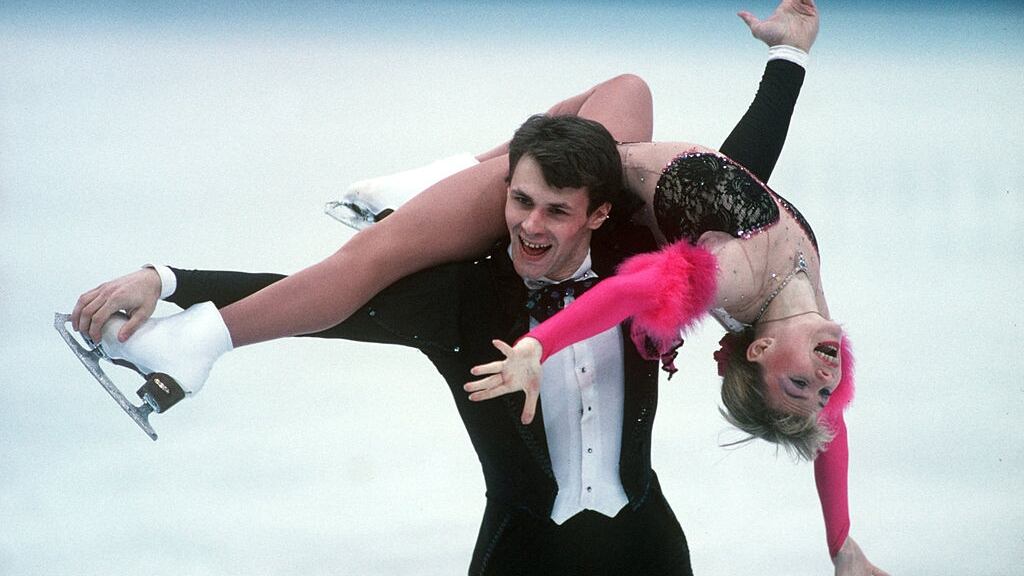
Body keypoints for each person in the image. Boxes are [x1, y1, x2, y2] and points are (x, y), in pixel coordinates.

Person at [69, 1, 885, 574]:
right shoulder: (465, 296)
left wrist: (840, 546)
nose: (532, 227)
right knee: (385, 253)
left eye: (556, 213)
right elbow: (326, 301)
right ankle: (444, 187)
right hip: (522, 550)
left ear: (598, 216)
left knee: (617, 106)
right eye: (520, 204)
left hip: (644, 542)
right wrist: (167, 279)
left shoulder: (651, 254)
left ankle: (446, 179)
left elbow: (812, 401)